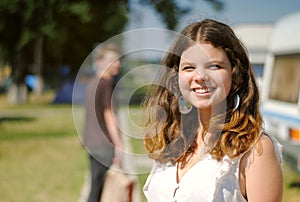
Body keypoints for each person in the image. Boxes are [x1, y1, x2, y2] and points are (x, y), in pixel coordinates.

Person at [142, 19, 283, 202]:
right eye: (189, 67)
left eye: (214, 66)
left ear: (235, 72)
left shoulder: (255, 148)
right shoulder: (170, 139)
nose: (200, 76)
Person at [82, 43, 123, 202]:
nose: (118, 64)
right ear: (101, 62)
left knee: (95, 186)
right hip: (103, 144)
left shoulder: (93, 83)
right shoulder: (106, 83)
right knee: (99, 191)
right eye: (113, 60)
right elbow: (108, 114)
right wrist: (119, 145)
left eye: (118, 60)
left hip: (91, 144)